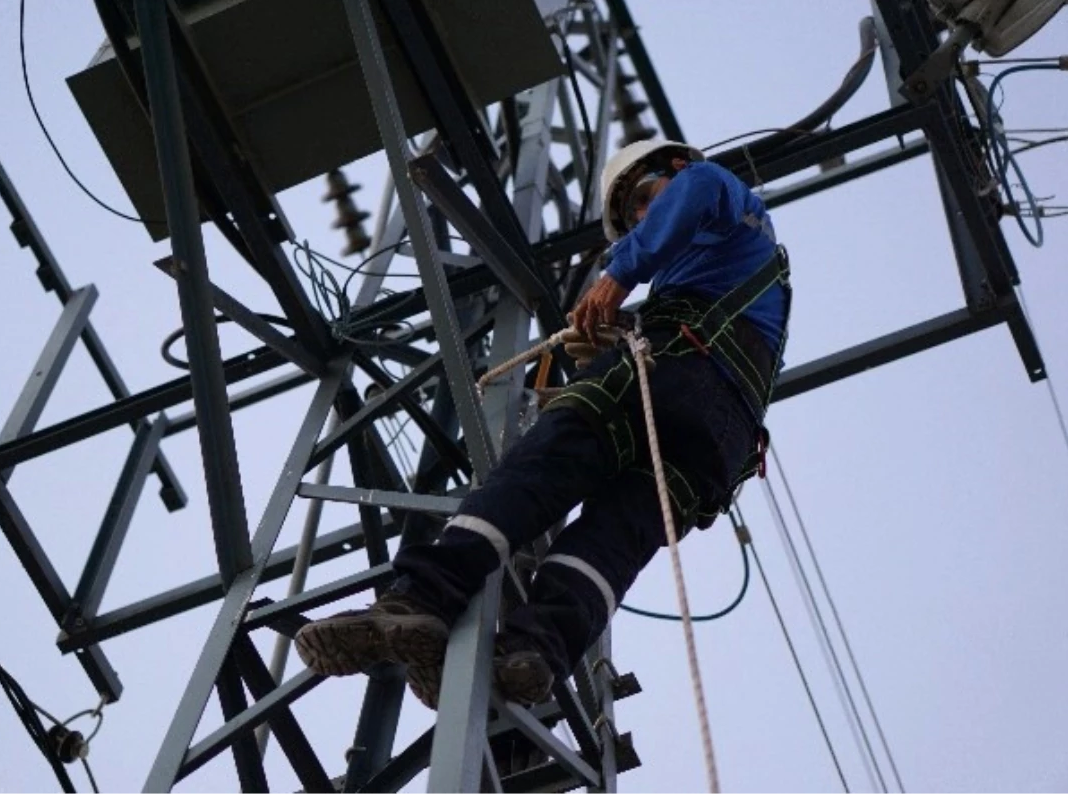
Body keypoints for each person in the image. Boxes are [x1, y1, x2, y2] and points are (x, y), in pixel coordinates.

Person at [295, 138, 792, 709]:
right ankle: (533, 653)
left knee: (540, 468)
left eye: (645, 197)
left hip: (672, 369)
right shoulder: (737, 267)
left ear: (676, 167)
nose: (640, 218)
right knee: (613, 543)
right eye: (630, 215)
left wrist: (620, 273)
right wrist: (612, 324)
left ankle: (421, 601)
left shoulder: (713, 188)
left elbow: (695, 193)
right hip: (720, 437)